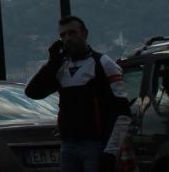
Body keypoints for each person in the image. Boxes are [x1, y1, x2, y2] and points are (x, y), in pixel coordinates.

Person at [25, 16, 130, 172]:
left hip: (96, 144)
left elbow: (123, 113)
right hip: (68, 145)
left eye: (72, 33)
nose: (67, 38)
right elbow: (33, 92)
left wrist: (111, 151)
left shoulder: (104, 63)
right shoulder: (61, 67)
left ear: (84, 34)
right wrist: (52, 62)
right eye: (63, 35)